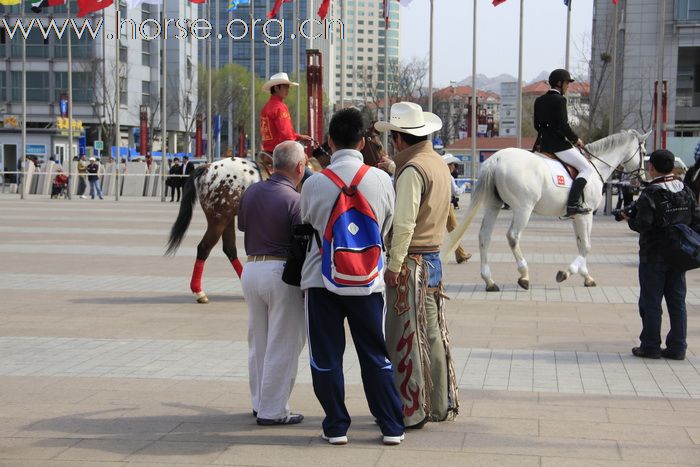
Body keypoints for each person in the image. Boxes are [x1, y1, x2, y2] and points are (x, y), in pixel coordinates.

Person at [300, 108, 404, 446]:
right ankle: (391, 425)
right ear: (362, 142)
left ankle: (336, 426)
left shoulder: (314, 183)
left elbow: (306, 225)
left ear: (329, 141)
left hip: (322, 280)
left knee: (326, 356)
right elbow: (385, 227)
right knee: (375, 354)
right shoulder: (381, 180)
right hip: (369, 281)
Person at [375, 102, 459, 429]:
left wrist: (394, 264)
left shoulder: (412, 171)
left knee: (405, 335)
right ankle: (438, 403)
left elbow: (405, 223)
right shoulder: (435, 163)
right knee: (434, 334)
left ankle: (411, 409)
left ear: (398, 138)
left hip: (412, 262)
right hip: (433, 258)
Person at [238, 141, 307, 426]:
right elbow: (302, 238)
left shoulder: (252, 190)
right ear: (300, 168)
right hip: (281, 272)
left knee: (259, 340)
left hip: (251, 268)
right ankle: (274, 410)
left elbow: (243, 225)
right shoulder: (295, 199)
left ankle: (259, 402)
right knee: (284, 342)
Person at [623, 149, 700, 360]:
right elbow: (696, 220)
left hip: (653, 255)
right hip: (680, 255)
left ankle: (650, 346)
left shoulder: (651, 193)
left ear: (652, 168)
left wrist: (629, 217)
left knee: (651, 301)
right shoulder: (686, 189)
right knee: (677, 301)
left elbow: (643, 224)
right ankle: (677, 347)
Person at [534, 69, 593, 217]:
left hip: (542, 145)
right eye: (567, 83)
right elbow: (563, 126)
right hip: (558, 146)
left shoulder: (539, 100)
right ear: (560, 83)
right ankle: (572, 204)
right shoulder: (560, 100)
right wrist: (576, 139)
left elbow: (536, 125)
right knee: (587, 168)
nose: (568, 86)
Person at [443, 154, 472, 264]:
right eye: (453, 165)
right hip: (447, 206)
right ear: (449, 166)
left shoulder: (439, 175)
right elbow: (457, 192)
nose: (454, 167)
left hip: (439, 205)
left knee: (452, 231)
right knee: (455, 230)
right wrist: (464, 186)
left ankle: (460, 254)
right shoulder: (449, 177)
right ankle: (461, 254)